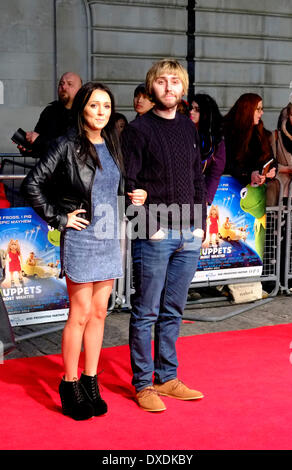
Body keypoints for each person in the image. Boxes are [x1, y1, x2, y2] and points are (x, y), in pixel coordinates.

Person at [21, 82, 126, 421]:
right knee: (79, 314)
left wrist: (133, 194)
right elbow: (32, 184)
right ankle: (68, 383)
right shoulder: (66, 144)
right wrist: (59, 217)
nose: (101, 112)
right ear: (82, 108)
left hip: (109, 236)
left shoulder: (111, 141)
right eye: (95, 106)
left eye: (106, 106)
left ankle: (90, 379)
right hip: (81, 237)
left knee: (99, 313)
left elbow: (110, 186)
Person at [121, 58, 206, 412]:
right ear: (151, 87)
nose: (168, 87)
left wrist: (200, 223)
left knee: (173, 309)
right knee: (146, 311)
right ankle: (143, 384)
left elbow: (197, 178)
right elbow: (129, 185)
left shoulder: (188, 127)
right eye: (161, 81)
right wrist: (148, 227)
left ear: (183, 88)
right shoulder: (138, 130)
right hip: (155, 233)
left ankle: (167, 377)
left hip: (189, 233)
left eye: (175, 81)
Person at [16, 72, 82, 157]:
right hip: (48, 169)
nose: (63, 87)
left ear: (80, 90)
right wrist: (27, 148)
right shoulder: (49, 112)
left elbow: (72, 148)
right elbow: (39, 149)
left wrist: (39, 140)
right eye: (61, 83)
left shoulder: (84, 114)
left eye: (70, 84)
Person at [223, 93, 276, 187]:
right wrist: (249, 174)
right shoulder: (229, 132)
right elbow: (227, 165)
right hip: (231, 190)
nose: (262, 112)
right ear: (247, 110)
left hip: (257, 192)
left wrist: (271, 170)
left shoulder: (261, 132)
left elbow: (271, 159)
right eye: (258, 109)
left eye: (262, 109)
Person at [190, 93, 226, 204]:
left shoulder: (215, 140)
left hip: (198, 192)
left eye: (197, 110)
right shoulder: (182, 131)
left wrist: (206, 198)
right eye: (191, 108)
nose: (191, 112)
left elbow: (215, 172)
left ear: (206, 114)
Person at [266, 102, 292, 206]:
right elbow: (269, 164)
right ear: (288, 115)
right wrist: (289, 169)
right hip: (281, 191)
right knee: (280, 221)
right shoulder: (275, 136)